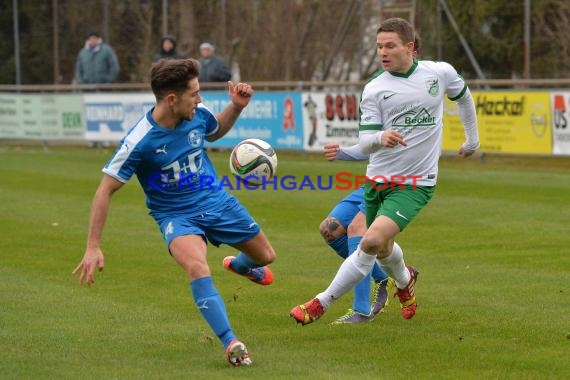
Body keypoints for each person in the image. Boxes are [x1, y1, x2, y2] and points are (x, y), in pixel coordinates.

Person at [73, 58, 276, 367]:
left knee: (266, 257)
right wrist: (92, 246)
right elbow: (104, 190)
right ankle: (231, 342)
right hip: (176, 217)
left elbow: (215, 130)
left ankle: (240, 265)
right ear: (172, 99)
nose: (200, 99)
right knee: (198, 267)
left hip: (216, 202)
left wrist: (236, 107)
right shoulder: (139, 141)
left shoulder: (196, 115)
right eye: (194, 93)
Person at [290, 17, 479, 325]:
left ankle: (321, 302)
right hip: (377, 183)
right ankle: (405, 282)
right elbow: (366, 142)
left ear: (409, 47)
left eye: (389, 46)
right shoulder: (375, 88)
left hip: (415, 185)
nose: (382, 53)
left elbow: (464, 97)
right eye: (379, 47)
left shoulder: (439, 73)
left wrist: (473, 140)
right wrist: (378, 138)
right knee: (383, 248)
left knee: (368, 239)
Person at [320, 142, 395, 324]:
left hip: (396, 184)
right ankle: (383, 277)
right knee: (329, 229)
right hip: (372, 183)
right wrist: (341, 152)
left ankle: (361, 310)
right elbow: (373, 147)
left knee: (356, 229)